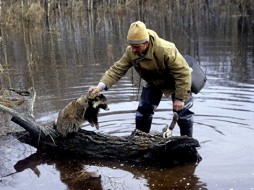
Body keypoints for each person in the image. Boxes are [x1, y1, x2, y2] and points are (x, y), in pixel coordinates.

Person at [89, 21, 194, 137]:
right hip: (154, 82)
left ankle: (188, 142)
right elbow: (117, 69)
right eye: (131, 46)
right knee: (143, 111)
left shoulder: (166, 49)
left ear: (146, 43)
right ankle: (141, 141)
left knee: (183, 114)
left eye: (136, 47)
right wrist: (100, 86)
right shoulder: (131, 51)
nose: (133, 50)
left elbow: (183, 73)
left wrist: (180, 98)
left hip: (177, 81)